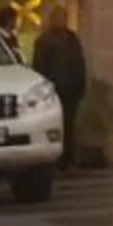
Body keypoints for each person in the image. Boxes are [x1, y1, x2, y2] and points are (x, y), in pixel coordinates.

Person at [31, 15, 88, 170]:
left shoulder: (71, 39)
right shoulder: (45, 41)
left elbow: (79, 63)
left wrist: (81, 85)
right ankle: (60, 159)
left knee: (69, 124)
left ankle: (68, 158)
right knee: (58, 125)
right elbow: (40, 67)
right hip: (56, 90)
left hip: (70, 89)